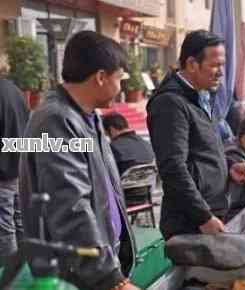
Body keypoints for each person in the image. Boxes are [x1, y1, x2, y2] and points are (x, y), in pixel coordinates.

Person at [18, 31, 140, 290]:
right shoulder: (56, 120)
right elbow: (70, 206)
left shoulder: (87, 116)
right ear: (100, 77)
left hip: (95, 266)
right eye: (120, 78)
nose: (122, 89)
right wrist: (110, 278)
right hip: (75, 273)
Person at [146, 30, 245, 239]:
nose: (220, 73)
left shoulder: (202, 96)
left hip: (210, 213)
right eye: (214, 65)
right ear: (192, 64)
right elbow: (173, 167)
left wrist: (227, 169)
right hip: (191, 222)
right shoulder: (170, 103)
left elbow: (201, 151)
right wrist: (202, 217)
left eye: (222, 66)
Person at [0, 76, 30, 264]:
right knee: (20, 223)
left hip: (3, 172)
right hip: (19, 167)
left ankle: (9, 277)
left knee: (5, 229)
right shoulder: (14, 90)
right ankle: (24, 271)